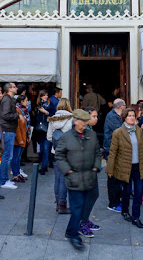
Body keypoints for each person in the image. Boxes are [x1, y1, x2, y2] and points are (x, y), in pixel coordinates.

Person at [55, 109, 101, 251]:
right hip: (74, 178)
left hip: (89, 177)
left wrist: (96, 168)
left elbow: (97, 153)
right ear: (75, 121)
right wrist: (68, 171)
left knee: (84, 206)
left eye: (86, 123)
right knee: (77, 207)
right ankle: (74, 235)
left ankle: (71, 230)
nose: (84, 126)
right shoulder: (66, 137)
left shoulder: (92, 135)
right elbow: (59, 156)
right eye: (82, 123)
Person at [106, 107, 143, 229]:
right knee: (127, 190)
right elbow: (113, 151)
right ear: (124, 118)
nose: (131, 117)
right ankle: (125, 210)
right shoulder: (118, 132)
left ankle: (136, 217)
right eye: (129, 115)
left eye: (133, 115)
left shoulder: (139, 131)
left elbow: (142, 149)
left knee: (138, 192)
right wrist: (110, 169)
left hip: (138, 166)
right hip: (125, 167)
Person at [47, 97, 73, 214]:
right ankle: (63, 205)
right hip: (67, 152)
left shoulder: (52, 119)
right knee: (64, 178)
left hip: (56, 151)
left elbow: (48, 137)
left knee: (57, 178)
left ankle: (58, 203)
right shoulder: (71, 119)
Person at [79, 107, 101, 236]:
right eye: (94, 116)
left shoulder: (90, 130)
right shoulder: (83, 131)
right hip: (85, 170)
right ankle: (81, 223)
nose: (96, 118)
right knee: (88, 196)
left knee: (93, 195)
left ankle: (85, 220)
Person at [103, 98, 126, 212]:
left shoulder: (116, 116)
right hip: (112, 149)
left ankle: (117, 199)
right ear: (121, 107)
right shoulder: (112, 117)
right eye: (125, 106)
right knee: (113, 177)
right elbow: (121, 131)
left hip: (116, 149)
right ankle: (113, 203)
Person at [0, 82, 18, 189]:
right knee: (7, 156)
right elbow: (5, 115)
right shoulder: (7, 99)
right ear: (10, 89)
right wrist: (17, 116)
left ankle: (4, 179)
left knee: (7, 155)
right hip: (7, 130)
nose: (16, 88)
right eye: (14, 87)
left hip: (9, 129)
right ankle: (3, 180)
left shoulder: (9, 99)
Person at [11, 94, 28, 184]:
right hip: (19, 138)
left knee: (18, 157)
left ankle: (17, 173)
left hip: (23, 136)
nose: (27, 102)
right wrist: (20, 139)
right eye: (26, 100)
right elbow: (17, 127)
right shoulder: (17, 111)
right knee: (15, 157)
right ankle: (15, 174)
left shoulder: (24, 111)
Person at [35, 89, 51, 175]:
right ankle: (43, 166)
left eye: (46, 95)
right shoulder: (38, 105)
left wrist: (45, 112)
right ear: (40, 96)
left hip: (47, 128)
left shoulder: (50, 105)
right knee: (41, 149)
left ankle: (44, 167)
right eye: (44, 95)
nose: (46, 96)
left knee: (45, 148)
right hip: (40, 129)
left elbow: (53, 114)